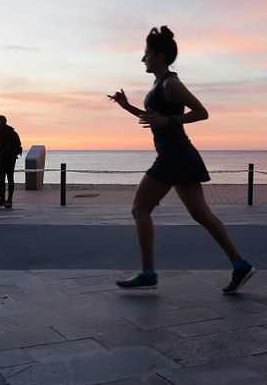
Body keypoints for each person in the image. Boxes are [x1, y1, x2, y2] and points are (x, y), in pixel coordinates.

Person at [108, 26, 255, 294]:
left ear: (160, 56)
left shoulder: (171, 83)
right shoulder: (160, 84)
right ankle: (240, 264)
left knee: (140, 209)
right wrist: (126, 106)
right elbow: (153, 119)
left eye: (147, 54)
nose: (143, 59)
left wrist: (170, 120)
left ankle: (148, 272)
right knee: (201, 214)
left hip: (174, 156)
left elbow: (202, 112)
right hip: (180, 156)